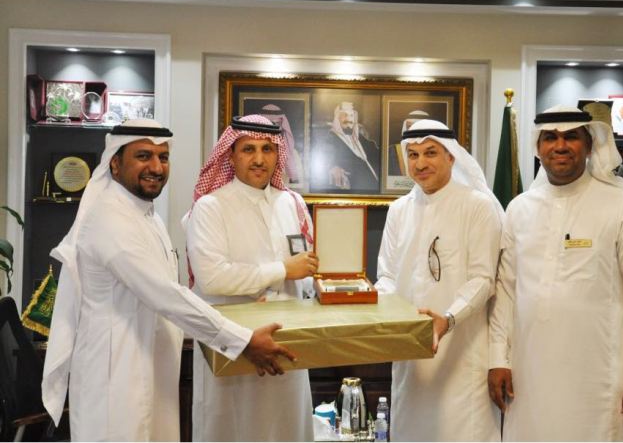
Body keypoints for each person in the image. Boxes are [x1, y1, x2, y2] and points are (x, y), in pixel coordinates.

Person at [41, 119, 294, 441]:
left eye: (163, 157)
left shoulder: (146, 215)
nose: (156, 167)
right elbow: (166, 295)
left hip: (152, 368)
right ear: (115, 163)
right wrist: (242, 340)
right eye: (143, 156)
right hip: (114, 374)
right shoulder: (108, 219)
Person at [488, 105, 623, 441]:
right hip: (530, 375)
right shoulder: (519, 209)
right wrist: (498, 357)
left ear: (589, 144)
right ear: (537, 146)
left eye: (571, 137)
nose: (560, 146)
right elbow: (506, 292)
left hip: (602, 377)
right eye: (550, 138)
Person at [185, 114, 317, 441]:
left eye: (267, 149)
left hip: (288, 343)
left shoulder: (293, 204)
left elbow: (308, 269)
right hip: (234, 347)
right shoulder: (211, 207)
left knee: (286, 429)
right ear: (230, 155)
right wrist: (282, 270)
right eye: (248, 149)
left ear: (278, 154)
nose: (259, 159)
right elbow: (212, 278)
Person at [375, 119, 504, 441]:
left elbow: (483, 279)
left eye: (430, 153)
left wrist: (448, 319)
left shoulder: (477, 206)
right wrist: (378, 311)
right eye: (413, 154)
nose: (420, 164)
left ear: (451, 156)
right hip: (410, 353)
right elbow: (387, 276)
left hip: (461, 352)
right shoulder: (399, 210)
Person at [311, 101, 379, 192]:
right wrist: (333, 168)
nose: (349, 119)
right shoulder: (330, 140)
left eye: (351, 115)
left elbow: (378, 154)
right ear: (337, 118)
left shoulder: (360, 139)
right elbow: (325, 161)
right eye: (344, 115)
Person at [388, 109, 430, 176]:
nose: (413, 131)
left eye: (419, 128)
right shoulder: (392, 151)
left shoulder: (436, 151)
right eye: (410, 127)